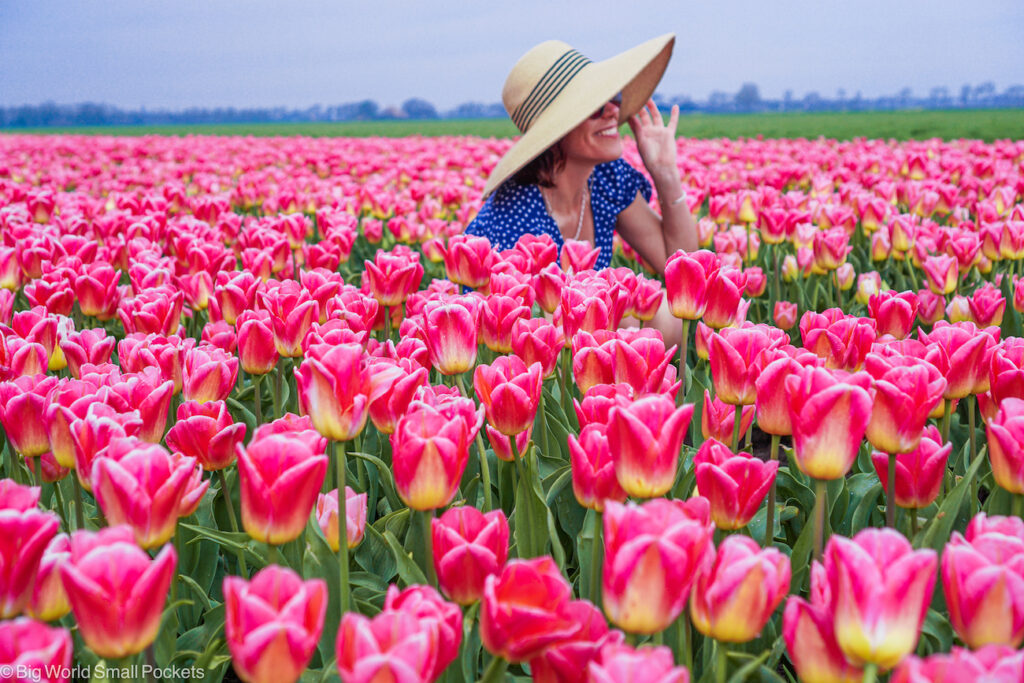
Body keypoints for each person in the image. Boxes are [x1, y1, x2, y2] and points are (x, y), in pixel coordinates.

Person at [466, 34, 698, 347]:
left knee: (661, 314)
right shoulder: (513, 223)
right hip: (541, 367)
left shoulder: (604, 179)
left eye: (614, 96)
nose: (614, 111)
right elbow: (527, 341)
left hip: (592, 362)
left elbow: (684, 270)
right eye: (594, 106)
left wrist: (665, 173)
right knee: (631, 318)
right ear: (558, 129)